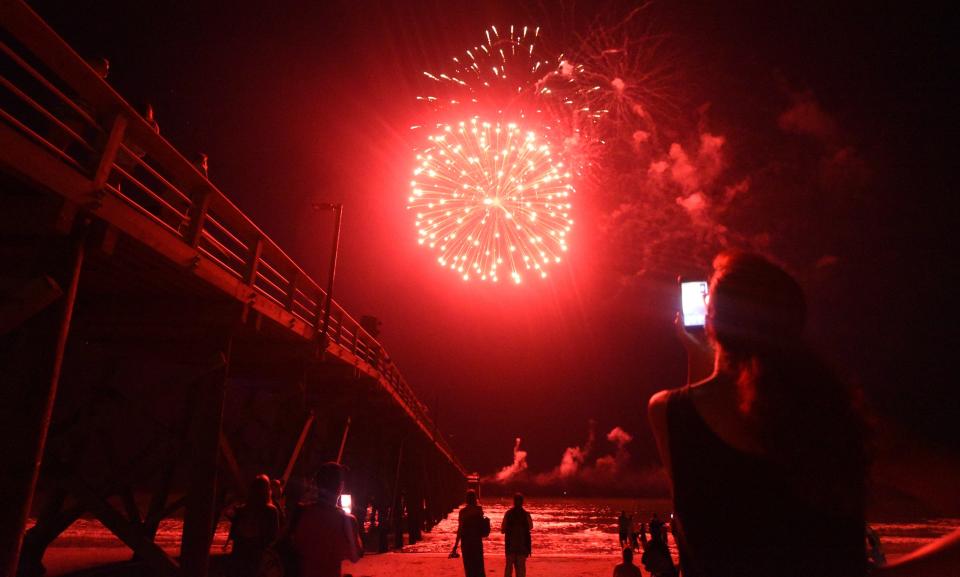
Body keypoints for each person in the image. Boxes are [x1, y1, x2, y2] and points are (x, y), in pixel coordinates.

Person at [648, 251, 869, 577]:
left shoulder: (668, 413)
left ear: (711, 321)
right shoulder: (839, 419)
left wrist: (695, 350)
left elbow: (695, 444)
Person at [292, 462, 363, 577]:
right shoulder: (346, 520)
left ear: (317, 484)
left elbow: (295, 545)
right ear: (340, 487)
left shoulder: (301, 512)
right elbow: (355, 556)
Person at [226, 474, 280, 577]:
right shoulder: (271, 511)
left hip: (239, 556)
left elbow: (233, 534)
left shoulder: (242, 510)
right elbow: (273, 536)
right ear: (267, 490)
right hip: (258, 557)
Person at [450, 489, 486, 577]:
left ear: (466, 499)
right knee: (479, 567)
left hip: (466, 543)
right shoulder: (479, 510)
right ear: (475, 499)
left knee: (469, 567)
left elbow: (460, 529)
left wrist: (455, 545)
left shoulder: (463, 512)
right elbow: (481, 526)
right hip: (477, 541)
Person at [501, 493, 533, 577]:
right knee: (521, 571)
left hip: (510, 546)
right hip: (522, 547)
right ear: (522, 502)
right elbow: (530, 527)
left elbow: (503, 530)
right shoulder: (526, 514)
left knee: (508, 569)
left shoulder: (508, 514)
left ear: (514, 502)